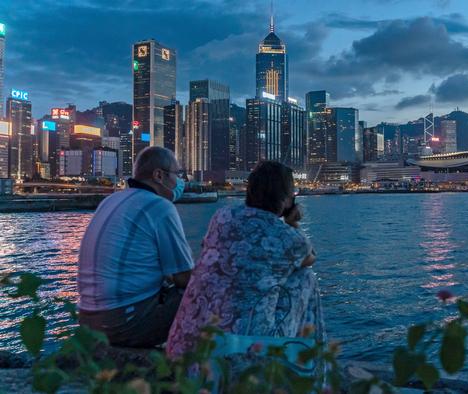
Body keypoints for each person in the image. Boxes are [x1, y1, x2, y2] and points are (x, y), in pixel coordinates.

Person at [167, 161, 324, 360]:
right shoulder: (287, 237)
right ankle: (313, 366)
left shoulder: (222, 217)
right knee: (305, 277)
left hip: (183, 349)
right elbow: (310, 257)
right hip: (236, 357)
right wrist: (293, 223)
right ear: (285, 199)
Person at [77, 146, 194, 348]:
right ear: (159, 175)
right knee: (207, 290)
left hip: (87, 323)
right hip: (122, 324)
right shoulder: (160, 206)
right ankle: (198, 368)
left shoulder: (111, 200)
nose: (180, 181)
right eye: (178, 174)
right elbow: (185, 277)